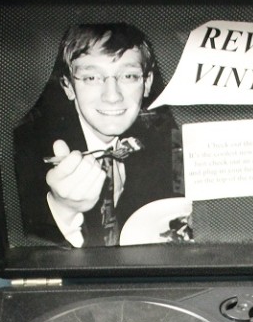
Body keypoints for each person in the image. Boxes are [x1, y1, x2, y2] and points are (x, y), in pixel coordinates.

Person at [14, 23, 180, 247]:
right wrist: (62, 209)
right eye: (91, 78)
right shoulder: (23, 150)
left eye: (129, 76)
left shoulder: (165, 141)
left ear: (147, 83)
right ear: (68, 86)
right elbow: (25, 249)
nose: (112, 96)